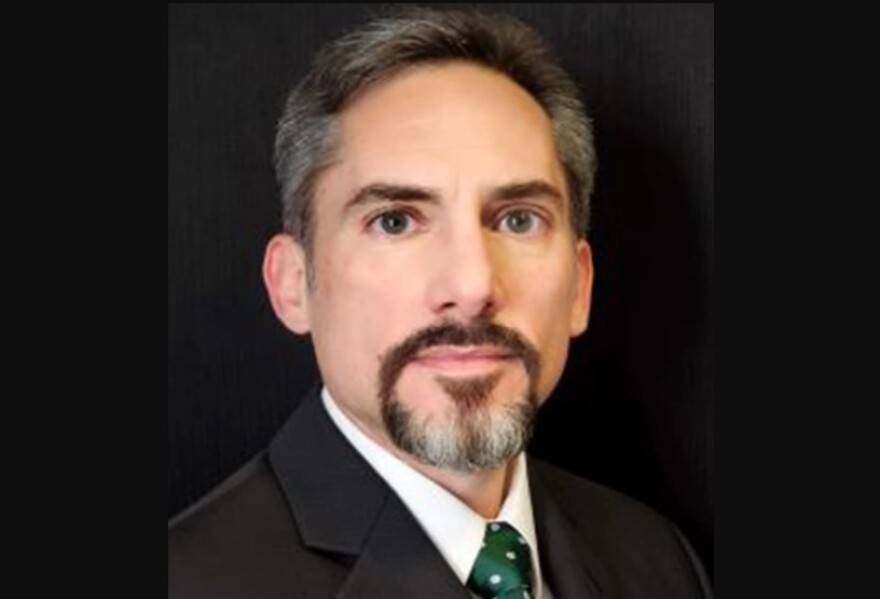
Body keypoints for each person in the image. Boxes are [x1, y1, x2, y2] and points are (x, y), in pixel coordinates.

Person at [168, 7, 713, 598]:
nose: (473, 285)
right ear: (293, 284)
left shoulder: (658, 558)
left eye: (518, 220)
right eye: (396, 221)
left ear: (579, 287)